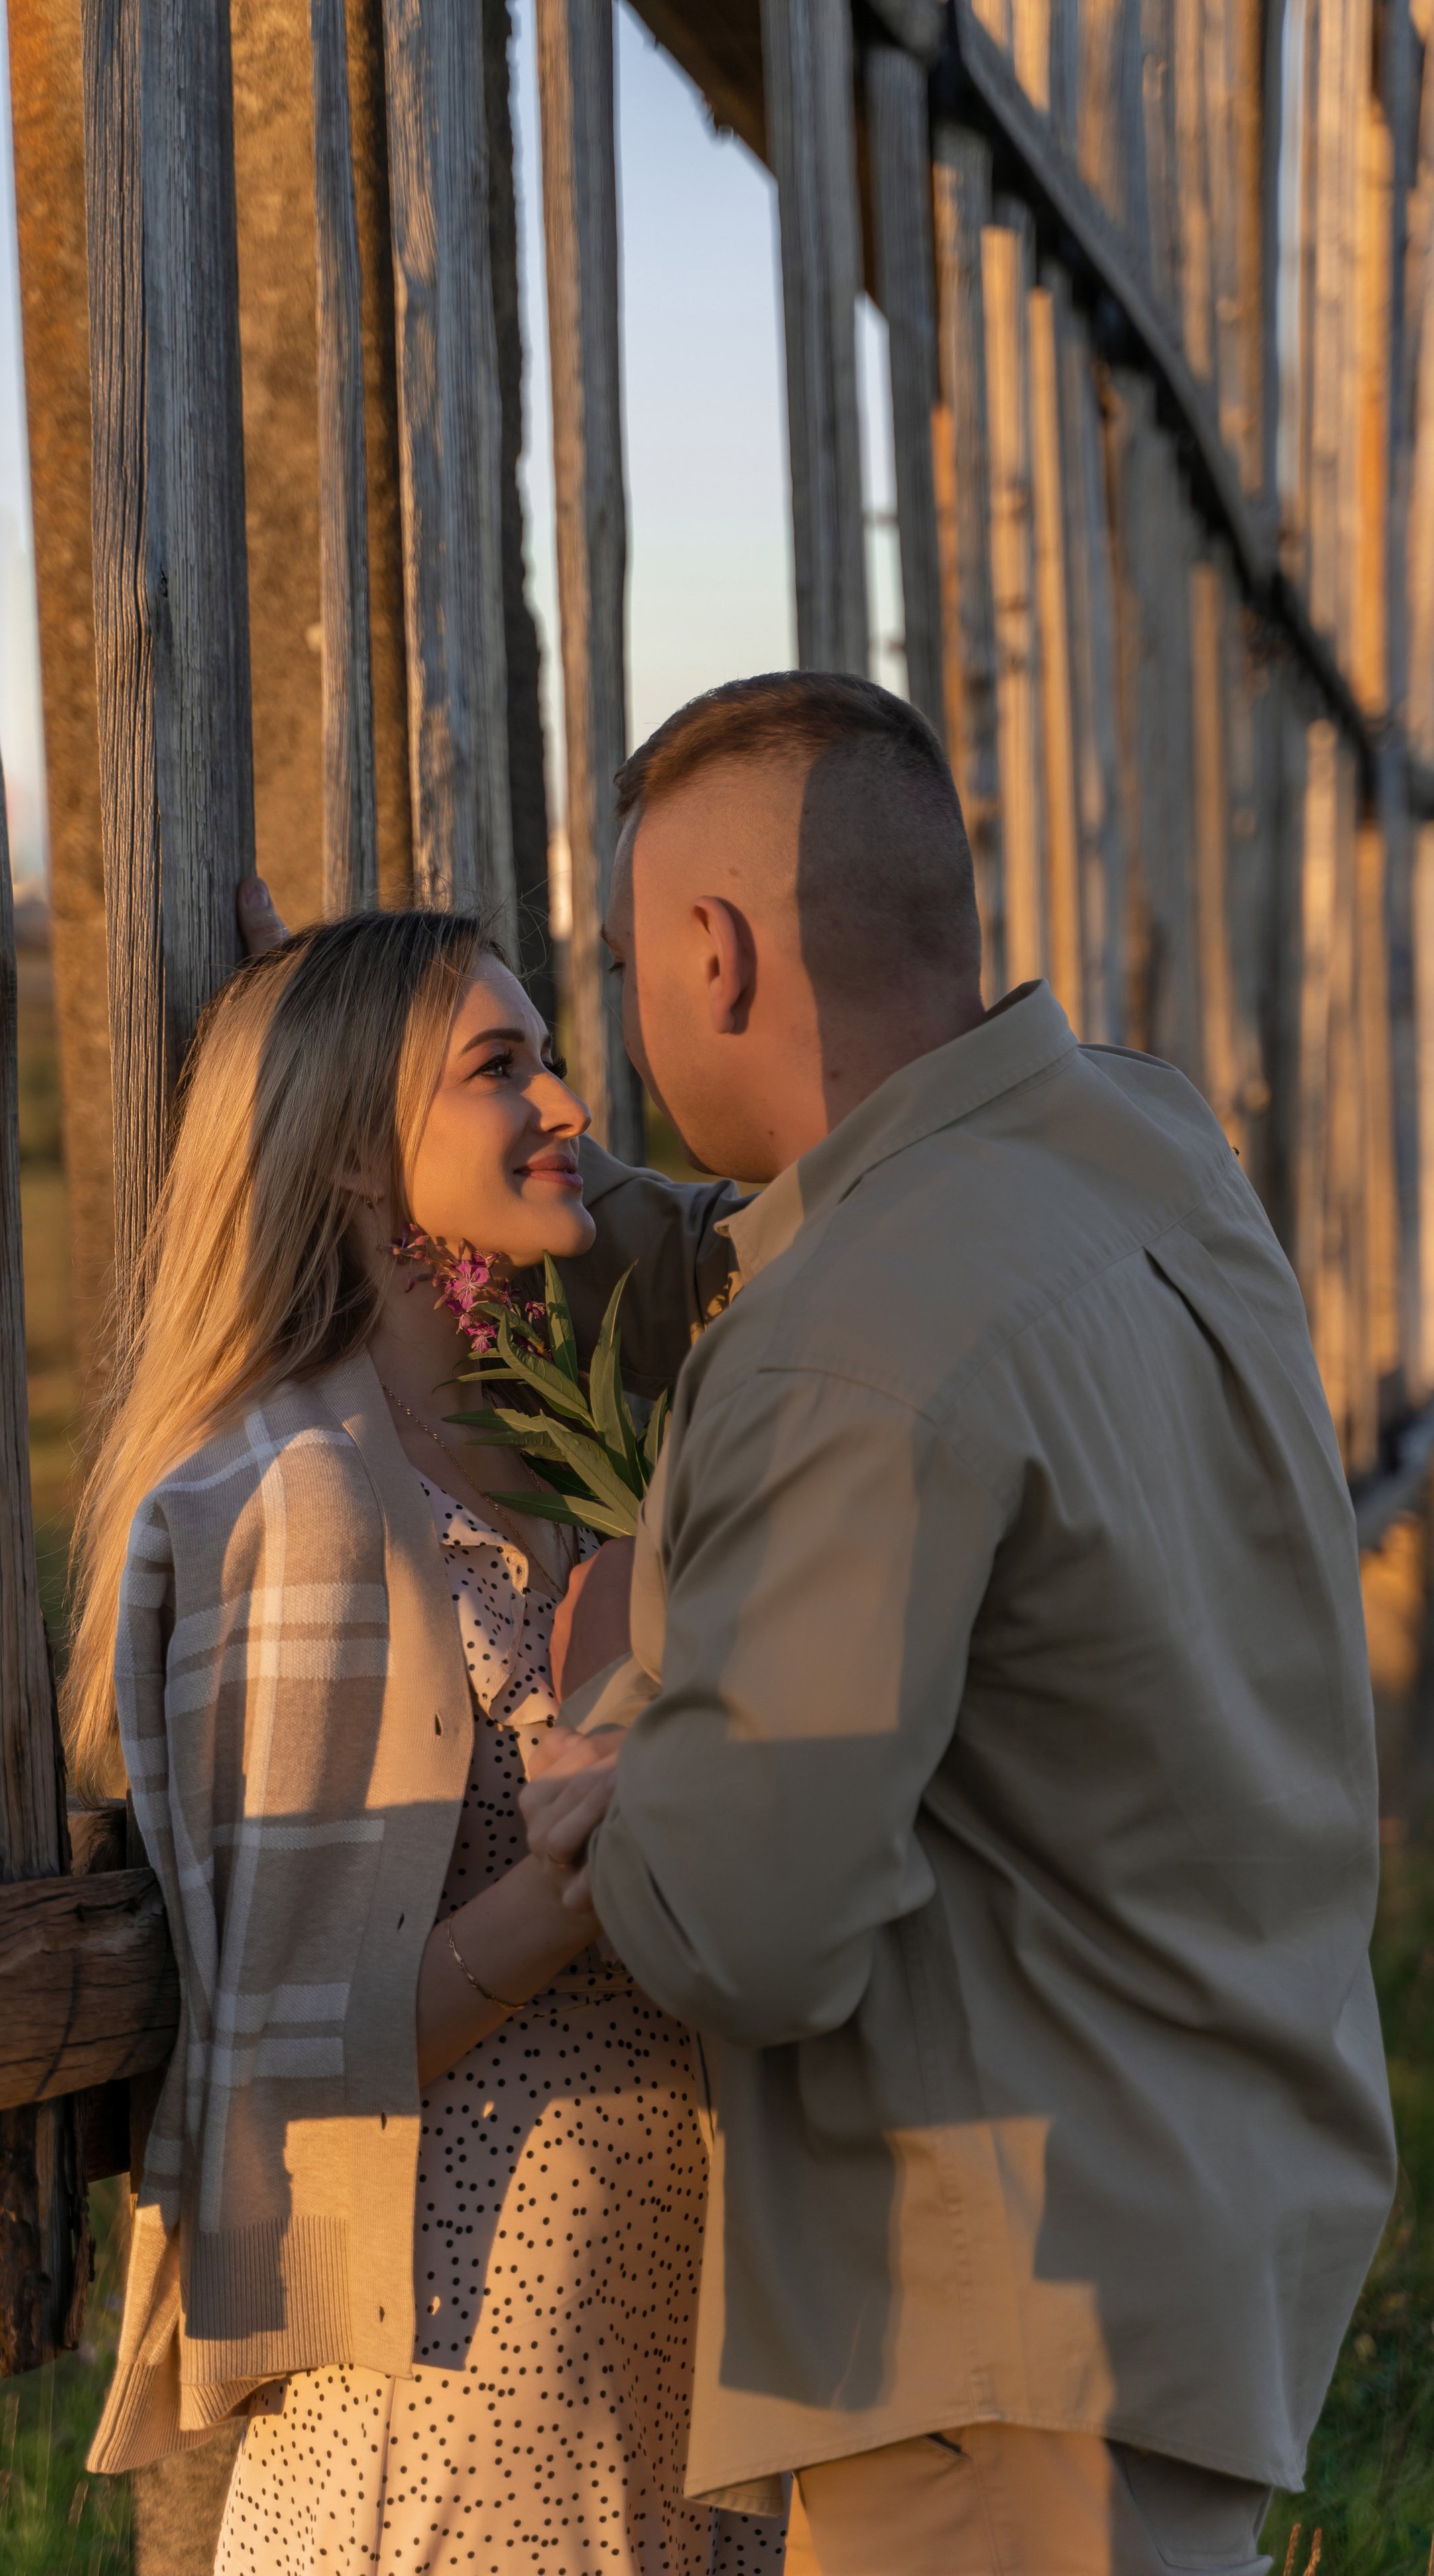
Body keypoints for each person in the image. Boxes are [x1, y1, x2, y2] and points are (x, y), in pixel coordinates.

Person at [516, 671, 1399, 2576]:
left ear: (717, 956)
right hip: (1176, 2259)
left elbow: (748, 1934)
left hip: (992, 2351)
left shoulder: (857, 1337)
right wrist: (563, 1216)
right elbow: (831, 1270)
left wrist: (607, 1696)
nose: (597, 1056)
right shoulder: (1147, 1157)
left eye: (622, 968)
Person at [66, 909, 783, 2573]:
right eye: (495, 1067)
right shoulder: (297, 1503)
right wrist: (589, 1874)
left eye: (545, 1053)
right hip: (455, 2403)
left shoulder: (561, 1449)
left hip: (660, 2375)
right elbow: (286, 2054)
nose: (560, 1103)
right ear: (343, 1157)